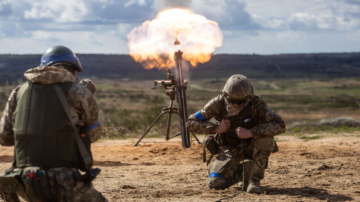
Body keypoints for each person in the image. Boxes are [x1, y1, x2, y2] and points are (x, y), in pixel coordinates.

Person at [0, 46, 108, 202]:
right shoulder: (77, 91)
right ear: (74, 71)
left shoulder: (18, 92)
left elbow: (4, 138)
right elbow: (94, 135)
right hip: (63, 182)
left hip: (23, 181)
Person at [186, 74, 286, 194]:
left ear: (248, 97)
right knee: (215, 183)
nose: (236, 105)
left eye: (240, 102)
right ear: (225, 95)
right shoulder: (217, 103)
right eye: (232, 101)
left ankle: (254, 180)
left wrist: (251, 132)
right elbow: (190, 123)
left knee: (266, 138)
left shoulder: (256, 104)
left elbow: (280, 125)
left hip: (252, 146)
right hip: (229, 148)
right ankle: (246, 171)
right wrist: (216, 128)